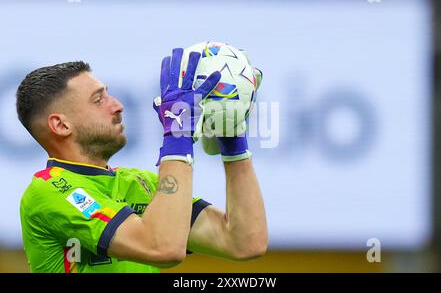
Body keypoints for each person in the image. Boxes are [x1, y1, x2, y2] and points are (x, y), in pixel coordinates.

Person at [17, 48, 268, 273]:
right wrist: (177, 136)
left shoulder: (140, 182)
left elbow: (245, 243)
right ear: (61, 125)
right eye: (98, 99)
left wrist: (233, 144)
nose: (117, 106)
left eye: (109, 94)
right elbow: (162, 248)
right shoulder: (49, 191)